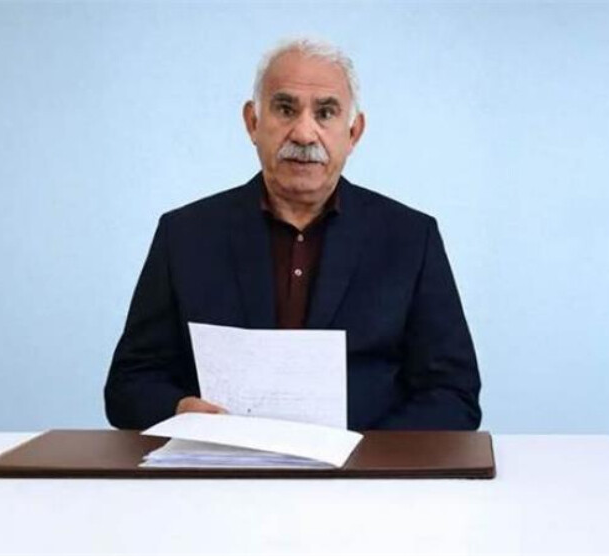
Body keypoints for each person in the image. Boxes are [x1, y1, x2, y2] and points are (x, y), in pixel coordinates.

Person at [104, 38, 481, 431]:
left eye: (326, 113)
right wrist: (179, 410)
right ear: (252, 122)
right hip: (221, 464)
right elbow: (129, 385)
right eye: (285, 109)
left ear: (354, 132)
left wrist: (367, 453)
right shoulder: (184, 235)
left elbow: (454, 395)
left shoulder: (411, 239)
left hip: (366, 468)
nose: (304, 134)